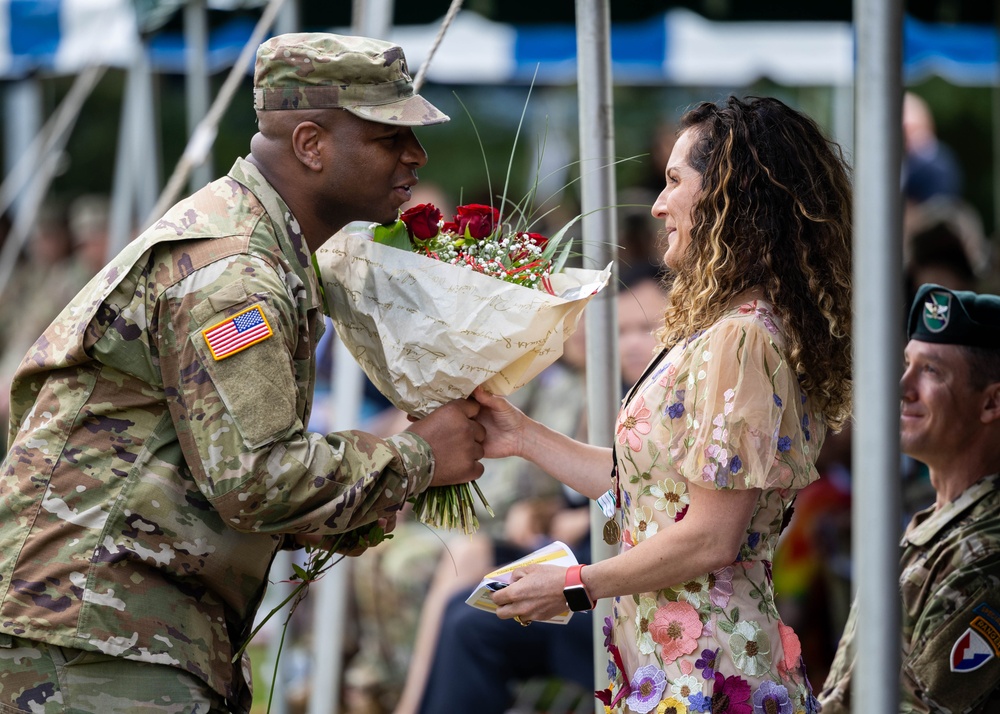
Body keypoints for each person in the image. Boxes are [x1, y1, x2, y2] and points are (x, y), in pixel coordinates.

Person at [0, 33, 487, 714]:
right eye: (387, 136)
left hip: (117, 623)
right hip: (97, 636)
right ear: (311, 145)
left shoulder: (258, 247)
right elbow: (256, 482)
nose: (416, 155)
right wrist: (417, 458)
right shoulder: (235, 274)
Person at [473, 95, 853, 713]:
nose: (657, 203)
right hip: (677, 665)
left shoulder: (745, 337)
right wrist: (521, 435)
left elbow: (710, 538)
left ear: (729, 194)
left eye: (675, 181)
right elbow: (654, 490)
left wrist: (574, 587)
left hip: (708, 673)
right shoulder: (735, 329)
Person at [820, 284, 1000, 713]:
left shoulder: (986, 554)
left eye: (932, 371)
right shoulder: (942, 521)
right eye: (906, 365)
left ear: (992, 402)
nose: (902, 387)